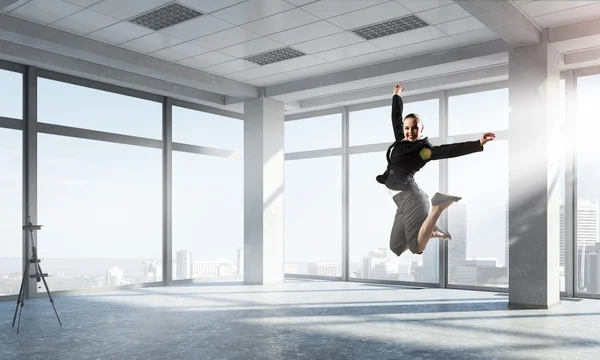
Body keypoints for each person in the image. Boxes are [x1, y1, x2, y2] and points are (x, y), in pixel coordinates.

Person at [376, 83, 495, 256]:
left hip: (412, 199)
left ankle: (437, 207)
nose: (409, 132)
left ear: (421, 129)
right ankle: (431, 231)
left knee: (416, 248)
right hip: (400, 201)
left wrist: (478, 144)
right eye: (407, 128)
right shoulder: (401, 139)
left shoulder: (423, 150)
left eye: (414, 128)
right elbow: (396, 118)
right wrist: (396, 96)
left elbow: (449, 150)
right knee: (396, 247)